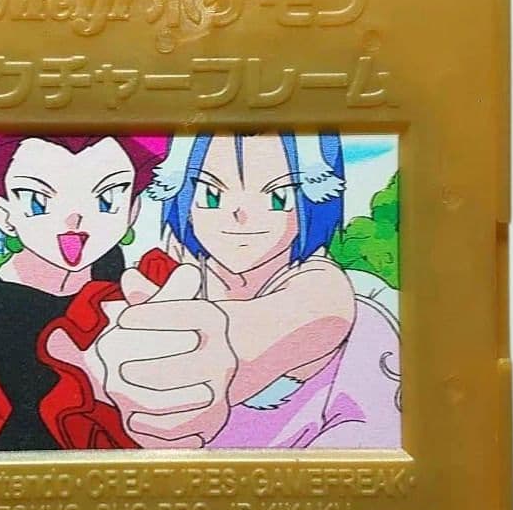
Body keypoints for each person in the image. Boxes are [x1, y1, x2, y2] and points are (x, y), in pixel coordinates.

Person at [60, 131, 402, 449]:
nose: (240, 216)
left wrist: (213, 356)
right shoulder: (159, 285)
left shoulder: (334, 298)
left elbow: (317, 308)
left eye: (278, 197)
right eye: (211, 194)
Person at [0, 133, 170, 451]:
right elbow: (44, 407)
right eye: (38, 201)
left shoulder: (110, 263)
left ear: (132, 211)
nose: (75, 218)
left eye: (107, 199)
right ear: (5, 216)